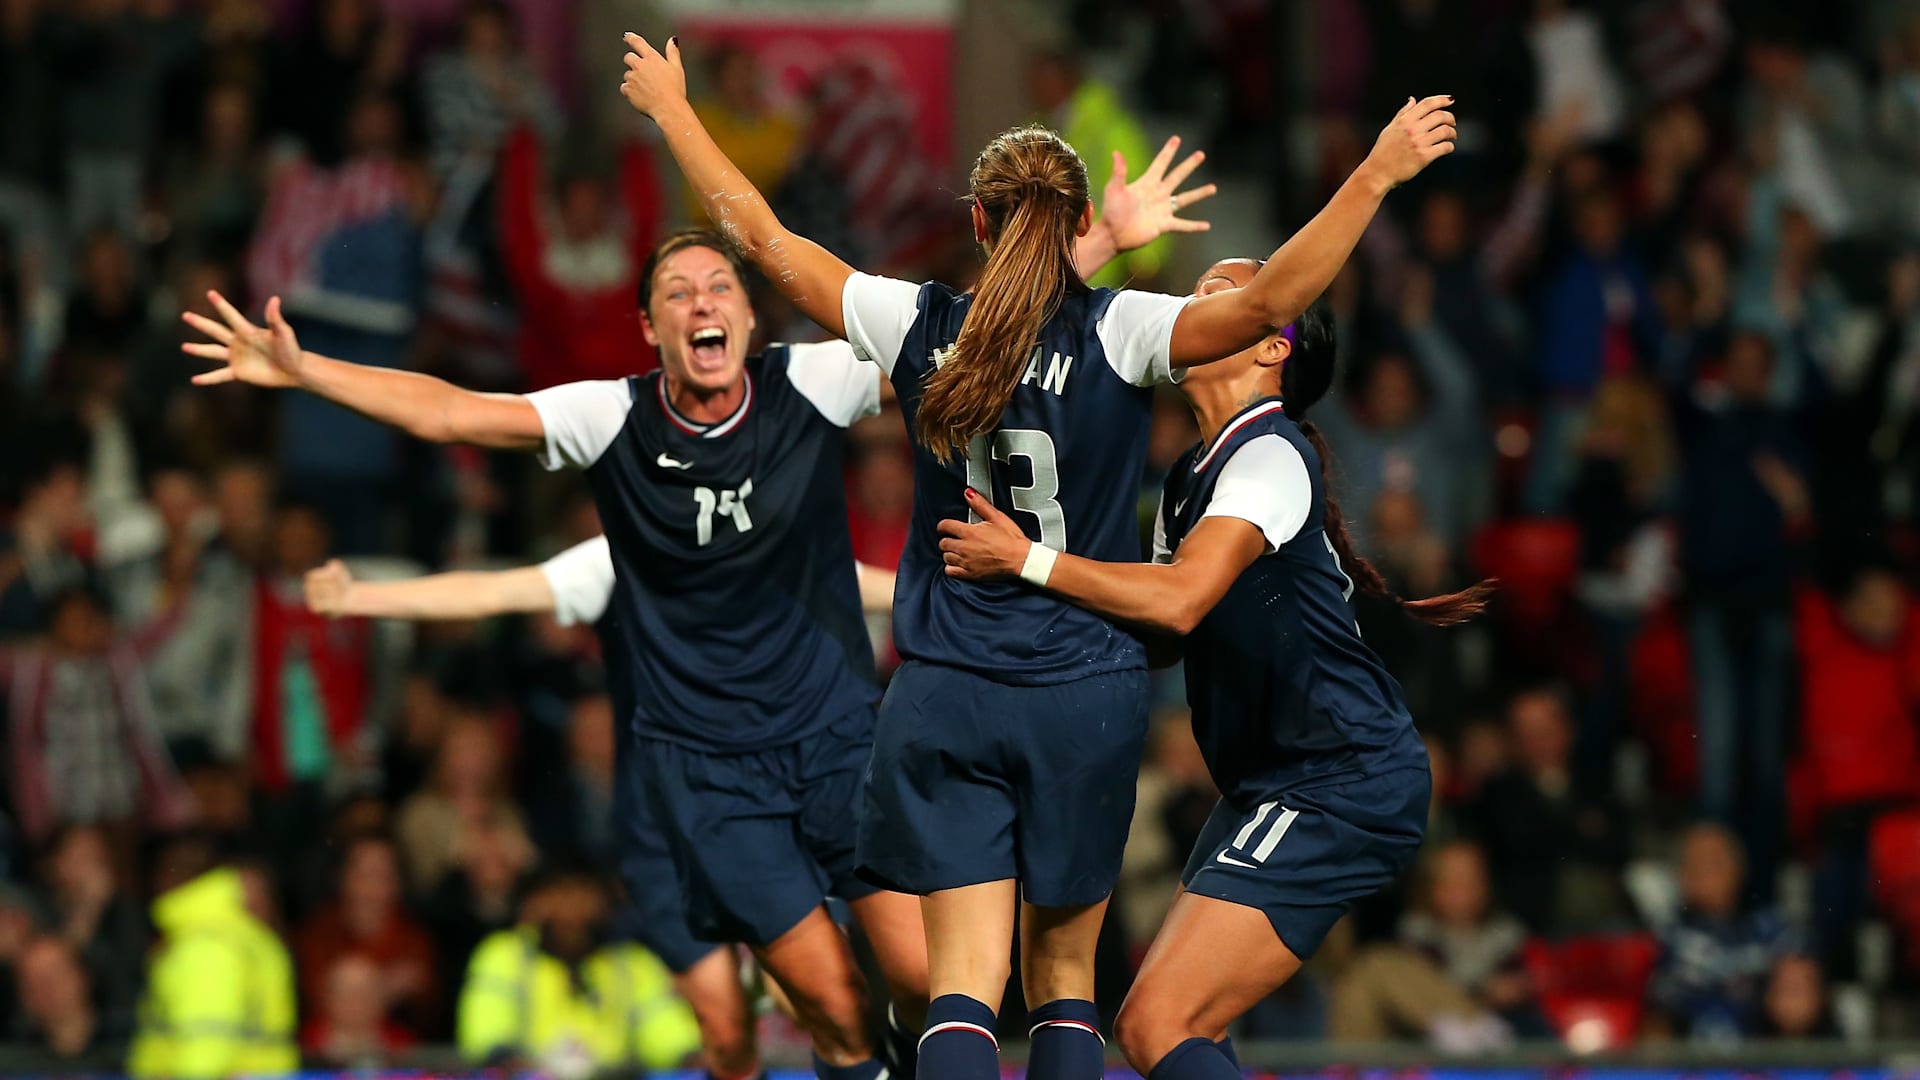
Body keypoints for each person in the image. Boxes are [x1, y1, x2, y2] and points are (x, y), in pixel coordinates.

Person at [182, 151, 1203, 1079]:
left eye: (721, 285)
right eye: (678, 291)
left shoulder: (812, 381)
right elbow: (455, 411)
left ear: (753, 318)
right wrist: (305, 368)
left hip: (840, 735)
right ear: (651, 328)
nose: (703, 301)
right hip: (708, 771)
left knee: (923, 979)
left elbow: (982, 335)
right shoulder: (611, 417)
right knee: (833, 1006)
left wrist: (1097, 242)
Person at [617, 31, 1451, 1080]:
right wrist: (1373, 173)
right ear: (1072, 230)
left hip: (949, 689)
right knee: (1067, 985)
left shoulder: (917, 321)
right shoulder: (1129, 332)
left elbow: (763, 234)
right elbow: (1268, 302)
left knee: (961, 989)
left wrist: (673, 112)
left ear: (976, 222)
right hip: (1080, 697)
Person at [937, 261, 1489, 1080]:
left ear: (1269, 343)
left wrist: (1030, 561)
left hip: (1338, 780)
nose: (1187, 310)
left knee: (1160, 1020)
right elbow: (1160, 632)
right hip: (1274, 784)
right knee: (1168, 1024)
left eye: (1214, 297)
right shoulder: (1192, 479)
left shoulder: (1268, 456)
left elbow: (1179, 601)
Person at [302, 535, 897, 1080]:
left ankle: (782, 988)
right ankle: (752, 986)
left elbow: (862, 583)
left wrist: (979, 584)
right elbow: (494, 591)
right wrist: (361, 595)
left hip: (774, 814)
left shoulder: (767, 539)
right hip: (667, 839)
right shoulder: (617, 555)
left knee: (826, 1004)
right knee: (725, 1031)